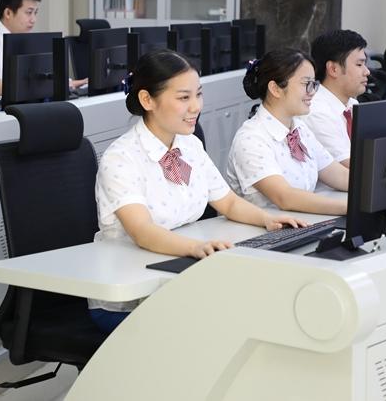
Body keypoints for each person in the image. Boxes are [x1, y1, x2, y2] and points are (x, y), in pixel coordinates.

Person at [89, 49, 306, 333]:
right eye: (183, 98)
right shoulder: (121, 158)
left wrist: (268, 220)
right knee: (234, 321)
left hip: (180, 277)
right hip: (131, 297)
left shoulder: (189, 145)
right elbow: (143, 231)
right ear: (147, 100)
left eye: (198, 95)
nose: (196, 107)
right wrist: (195, 248)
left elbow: (228, 202)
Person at [227, 48, 350, 215]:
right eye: (306, 84)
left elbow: (340, 176)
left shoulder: (300, 128)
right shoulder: (251, 139)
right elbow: (285, 197)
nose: (312, 92)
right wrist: (350, 208)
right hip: (263, 229)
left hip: (303, 222)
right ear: (275, 89)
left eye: (314, 84)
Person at [0, 0, 86, 96]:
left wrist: (71, 84)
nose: (33, 19)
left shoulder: (24, 37)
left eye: (35, 13)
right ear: (8, 13)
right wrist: (34, 88)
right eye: (29, 13)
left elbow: (41, 77)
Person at [302, 29, 370, 167]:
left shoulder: (351, 103)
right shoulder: (317, 110)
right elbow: (352, 166)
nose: (367, 72)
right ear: (333, 69)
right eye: (359, 64)